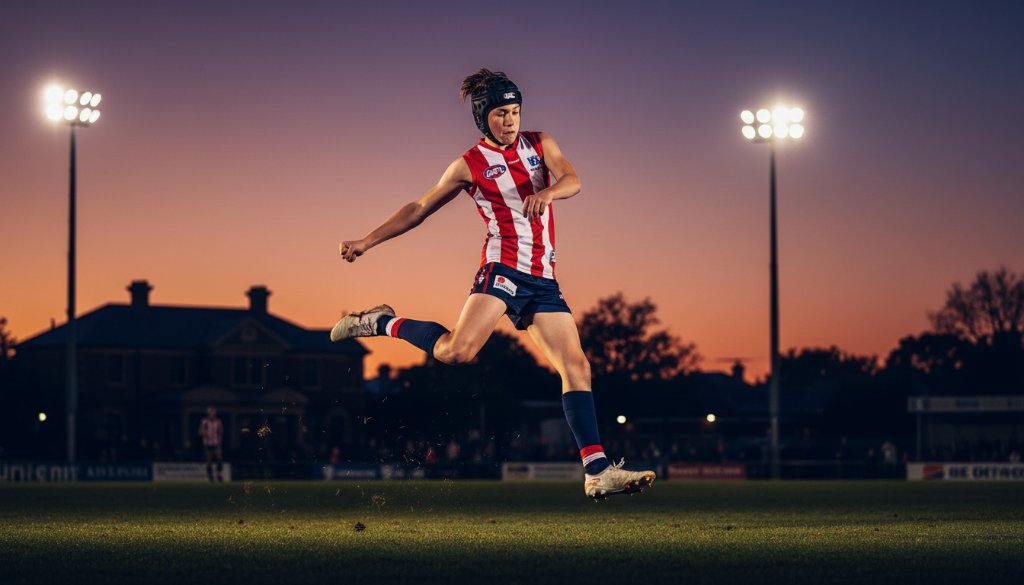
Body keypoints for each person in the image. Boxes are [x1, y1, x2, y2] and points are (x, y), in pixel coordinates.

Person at [331, 68, 655, 499]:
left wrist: (549, 193)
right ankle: (379, 322)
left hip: (542, 279)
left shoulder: (542, 143)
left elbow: (573, 180)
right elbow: (419, 207)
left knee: (577, 368)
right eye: (502, 113)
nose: (511, 120)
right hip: (502, 268)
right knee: (457, 352)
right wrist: (367, 241)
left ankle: (596, 472)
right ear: (484, 118)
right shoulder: (469, 164)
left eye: (516, 111)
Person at [198, 406, 224, 483]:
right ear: (208, 413)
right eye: (211, 412)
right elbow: (200, 431)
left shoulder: (218, 421)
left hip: (216, 443)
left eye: (214, 412)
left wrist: (219, 438)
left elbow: (221, 431)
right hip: (207, 443)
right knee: (209, 461)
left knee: (219, 458)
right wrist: (204, 433)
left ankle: (219, 474)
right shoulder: (204, 421)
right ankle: (211, 476)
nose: (213, 413)